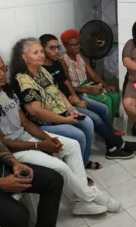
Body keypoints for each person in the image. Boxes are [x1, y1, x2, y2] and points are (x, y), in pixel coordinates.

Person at [0, 49, 121, 215]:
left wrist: (48, 140)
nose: (2, 73)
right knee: (60, 167)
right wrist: (40, 146)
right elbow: (1, 143)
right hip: (13, 151)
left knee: (72, 145)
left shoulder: (5, 90)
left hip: (27, 138)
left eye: (3, 68)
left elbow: (25, 122)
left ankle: (79, 201)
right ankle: (91, 195)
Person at [39, 34, 136, 159]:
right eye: (52, 48)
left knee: (103, 108)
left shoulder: (55, 63)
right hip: (65, 104)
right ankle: (118, 143)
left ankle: (112, 145)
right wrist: (74, 102)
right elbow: (55, 92)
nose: (56, 51)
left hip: (73, 98)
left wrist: (74, 95)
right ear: (42, 49)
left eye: (57, 47)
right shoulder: (46, 68)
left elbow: (66, 82)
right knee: (96, 117)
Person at [9, 38, 98, 169]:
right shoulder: (22, 79)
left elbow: (57, 91)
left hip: (63, 113)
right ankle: (74, 168)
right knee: (78, 135)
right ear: (24, 57)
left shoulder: (42, 70)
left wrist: (71, 108)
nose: (41, 55)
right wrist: (65, 120)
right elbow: (36, 111)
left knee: (88, 122)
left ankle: (83, 162)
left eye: (41, 51)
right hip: (45, 122)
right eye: (35, 53)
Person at [60, 29, 121, 130]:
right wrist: (87, 90)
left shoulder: (80, 56)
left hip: (89, 85)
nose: (77, 47)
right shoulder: (63, 61)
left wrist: (107, 86)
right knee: (108, 100)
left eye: (78, 44)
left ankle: (108, 125)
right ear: (66, 46)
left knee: (115, 96)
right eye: (73, 45)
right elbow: (68, 85)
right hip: (78, 90)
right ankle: (109, 130)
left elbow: (94, 76)